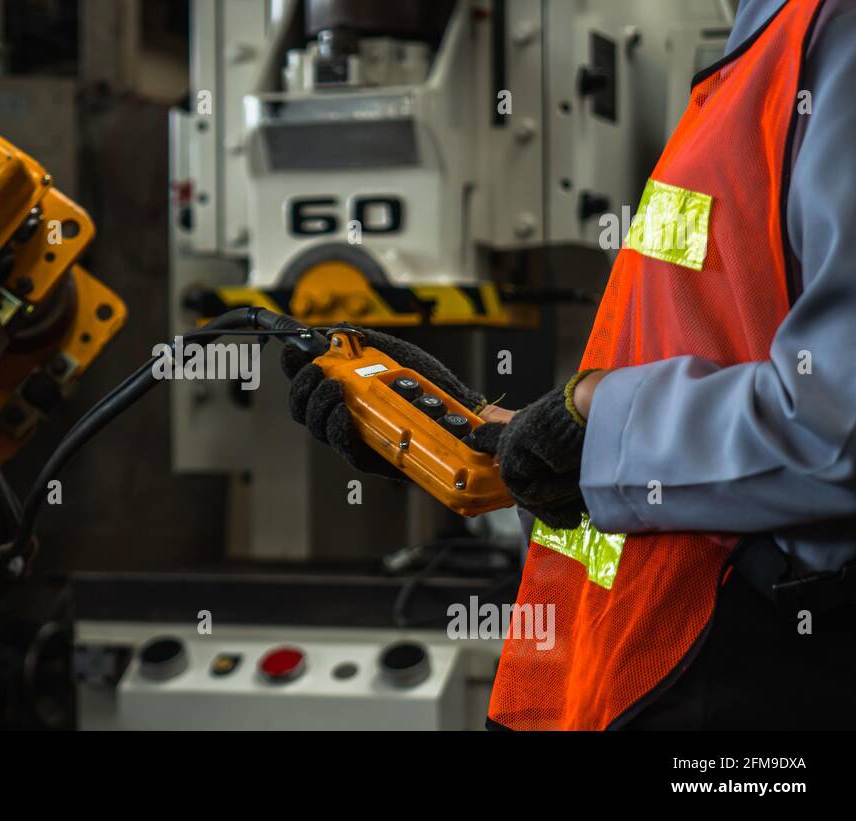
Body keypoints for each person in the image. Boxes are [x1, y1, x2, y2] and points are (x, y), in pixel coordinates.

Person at [284, 0, 856, 730]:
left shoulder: (831, 37)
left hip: (756, 675)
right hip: (647, 671)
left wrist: (593, 427)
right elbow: (691, 363)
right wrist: (490, 436)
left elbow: (837, 427)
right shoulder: (752, 63)